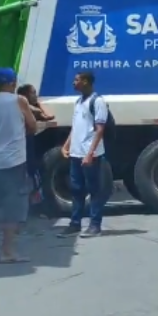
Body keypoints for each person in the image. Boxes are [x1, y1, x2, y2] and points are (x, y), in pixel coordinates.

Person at [0, 68, 36, 264]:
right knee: (12, 208)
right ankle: (7, 252)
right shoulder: (20, 101)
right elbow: (33, 127)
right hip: (14, 163)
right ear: (13, 83)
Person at [60, 71, 110, 238]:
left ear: (86, 82)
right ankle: (75, 224)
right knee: (76, 190)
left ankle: (95, 225)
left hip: (90, 155)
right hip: (76, 153)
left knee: (94, 189)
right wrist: (66, 146)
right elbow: (75, 127)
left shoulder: (98, 102)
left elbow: (100, 129)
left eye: (77, 80)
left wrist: (90, 154)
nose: (74, 83)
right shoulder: (79, 102)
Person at [17, 84, 55, 208]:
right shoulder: (22, 106)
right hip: (22, 143)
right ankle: (33, 203)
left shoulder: (30, 107)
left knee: (32, 172)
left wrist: (38, 104)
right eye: (33, 93)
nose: (36, 95)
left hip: (27, 142)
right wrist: (37, 107)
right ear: (25, 95)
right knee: (31, 172)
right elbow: (43, 115)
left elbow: (48, 116)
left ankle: (34, 202)